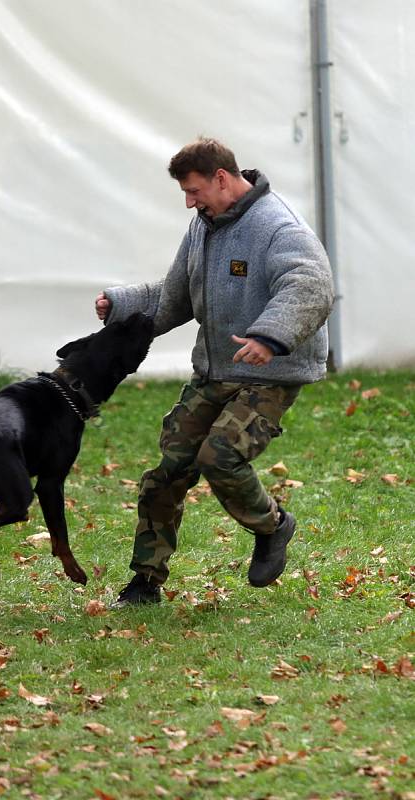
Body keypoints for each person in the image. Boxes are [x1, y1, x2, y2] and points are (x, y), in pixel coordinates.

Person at [95, 137, 334, 607]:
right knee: (167, 472)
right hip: (216, 368)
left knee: (219, 455)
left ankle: (273, 526)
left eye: (194, 190)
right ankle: (145, 582)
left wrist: (269, 335)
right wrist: (121, 304)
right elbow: (176, 294)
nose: (189, 201)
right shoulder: (204, 224)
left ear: (222, 178)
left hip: (272, 370)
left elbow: (311, 285)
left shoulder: (278, 227)